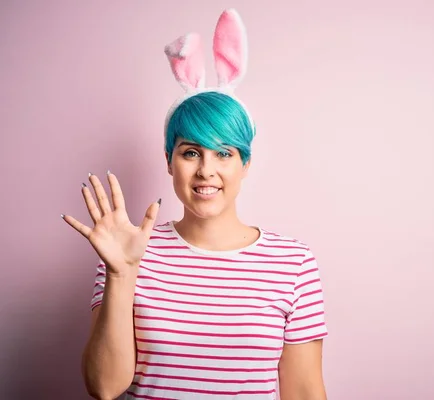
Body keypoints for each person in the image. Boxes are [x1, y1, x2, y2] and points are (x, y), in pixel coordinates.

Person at [62, 9, 328, 400]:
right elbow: (103, 386)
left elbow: (305, 391)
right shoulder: (126, 253)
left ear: (246, 164)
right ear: (169, 160)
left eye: (223, 153)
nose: (206, 170)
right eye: (190, 152)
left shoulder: (294, 264)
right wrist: (121, 274)